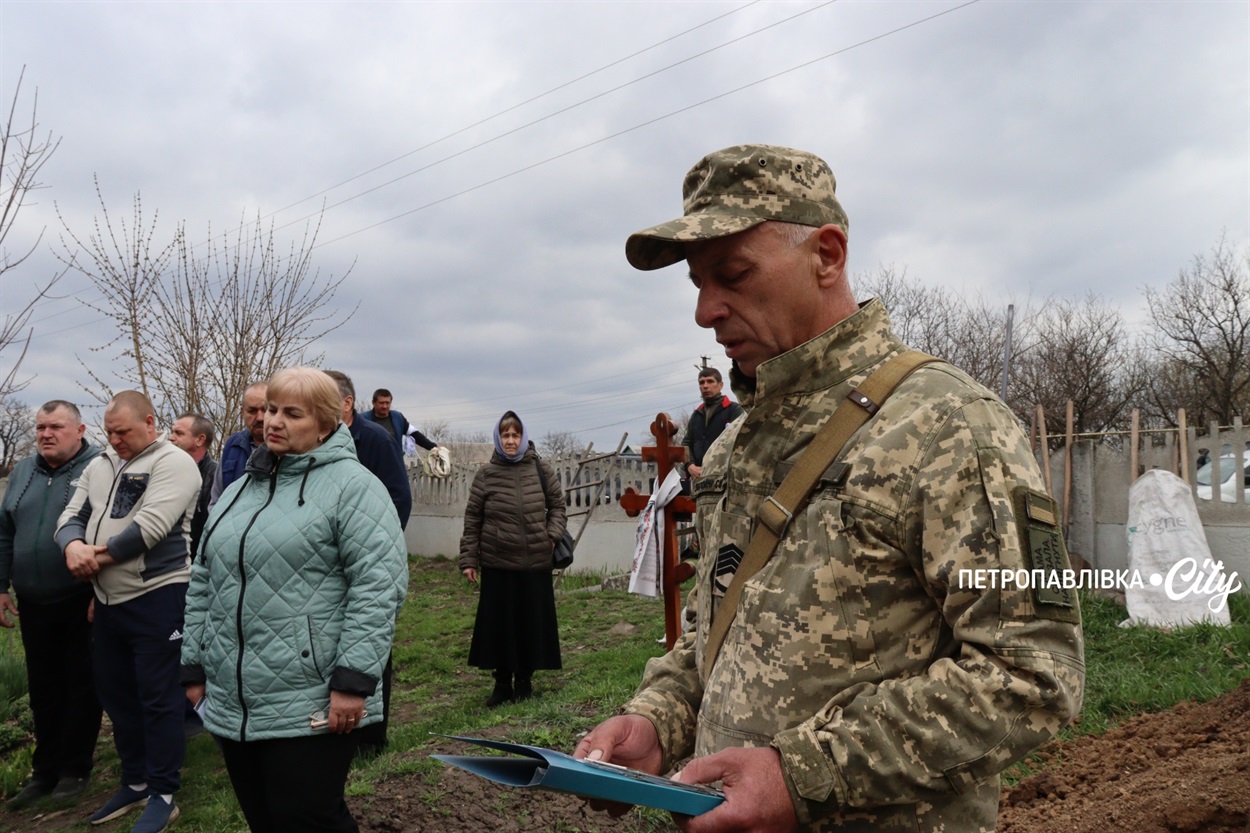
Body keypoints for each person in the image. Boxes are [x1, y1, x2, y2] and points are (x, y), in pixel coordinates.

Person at [575, 145, 1085, 833]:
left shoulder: (948, 424)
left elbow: (1035, 674)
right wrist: (657, 719)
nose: (703, 310)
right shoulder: (732, 447)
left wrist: (804, 773)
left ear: (827, 255)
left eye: (731, 274)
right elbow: (711, 638)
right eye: (697, 282)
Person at [181, 368, 407, 833]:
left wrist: (353, 681)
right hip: (236, 693)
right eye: (269, 410)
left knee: (308, 818)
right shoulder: (241, 489)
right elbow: (204, 577)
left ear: (325, 424)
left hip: (313, 692)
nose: (272, 421)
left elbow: (378, 586)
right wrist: (194, 665)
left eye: (291, 412)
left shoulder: (355, 488)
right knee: (263, 818)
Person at [55, 391, 202, 833]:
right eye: (110, 431)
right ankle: (135, 780)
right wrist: (72, 547)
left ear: (150, 422)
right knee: (116, 695)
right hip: (108, 602)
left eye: (123, 432)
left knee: (158, 698)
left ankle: (163, 792)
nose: (115, 440)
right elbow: (69, 517)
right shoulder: (99, 464)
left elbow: (150, 529)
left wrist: (88, 560)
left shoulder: (174, 463)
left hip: (158, 596)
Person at [0, 401, 103, 809]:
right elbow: (4, 532)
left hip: (80, 596)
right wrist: (1, 586)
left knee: (81, 683)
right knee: (43, 687)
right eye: (41, 427)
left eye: (56, 426)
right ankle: (44, 771)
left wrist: (100, 591)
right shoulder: (23, 470)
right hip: (33, 598)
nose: (46, 434)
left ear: (79, 430)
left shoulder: (100, 466)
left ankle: (75, 769)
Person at [324, 369, 411, 756]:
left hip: (367, 557)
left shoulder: (374, 439)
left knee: (371, 642)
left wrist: (377, 546)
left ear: (345, 403)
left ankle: (372, 737)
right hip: (329, 565)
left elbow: (398, 497)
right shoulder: (316, 444)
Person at [458, 411, 565, 707]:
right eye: (505, 435)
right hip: (497, 561)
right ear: (498, 438)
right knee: (500, 626)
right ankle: (503, 683)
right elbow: (472, 520)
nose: (510, 440)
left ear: (524, 437)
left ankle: (525, 681)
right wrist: (469, 559)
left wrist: (551, 535)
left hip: (535, 561)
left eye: (515, 435)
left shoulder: (541, 469)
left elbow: (557, 506)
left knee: (530, 623)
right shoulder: (486, 475)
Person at [208, 382, 267, 509]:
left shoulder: (288, 448)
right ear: (242, 412)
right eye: (252, 411)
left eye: (266, 410)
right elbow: (217, 499)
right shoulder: (233, 445)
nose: (260, 418)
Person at [680, 367, 743, 481]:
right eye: (701, 382)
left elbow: (741, 442)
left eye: (710, 381)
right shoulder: (696, 415)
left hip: (725, 479)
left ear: (720, 385)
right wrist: (690, 466)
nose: (705, 386)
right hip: (700, 480)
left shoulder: (734, 410)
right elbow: (686, 443)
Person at [168, 413, 217, 556]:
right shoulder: (163, 473)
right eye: (172, 432)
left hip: (197, 563)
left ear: (200, 440)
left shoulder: (215, 477)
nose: (171, 437)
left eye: (178, 433)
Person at [359, 388, 438, 454]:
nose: (385, 406)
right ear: (373, 403)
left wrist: (434, 448)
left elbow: (415, 434)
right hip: (370, 467)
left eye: (387, 403)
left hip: (395, 464)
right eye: (381, 403)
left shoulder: (398, 418)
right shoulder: (362, 420)